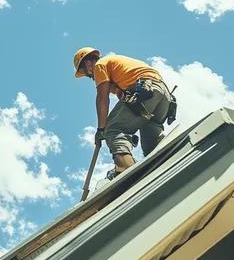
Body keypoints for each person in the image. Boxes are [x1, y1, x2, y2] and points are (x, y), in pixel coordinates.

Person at [73, 47, 175, 179]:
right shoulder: (116, 65)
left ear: (87, 63)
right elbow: (124, 98)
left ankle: (126, 170)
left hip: (145, 92)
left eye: (88, 74)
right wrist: (114, 88)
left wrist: (101, 129)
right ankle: (163, 160)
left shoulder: (100, 65)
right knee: (151, 145)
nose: (91, 77)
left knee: (112, 129)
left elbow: (102, 99)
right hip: (161, 95)